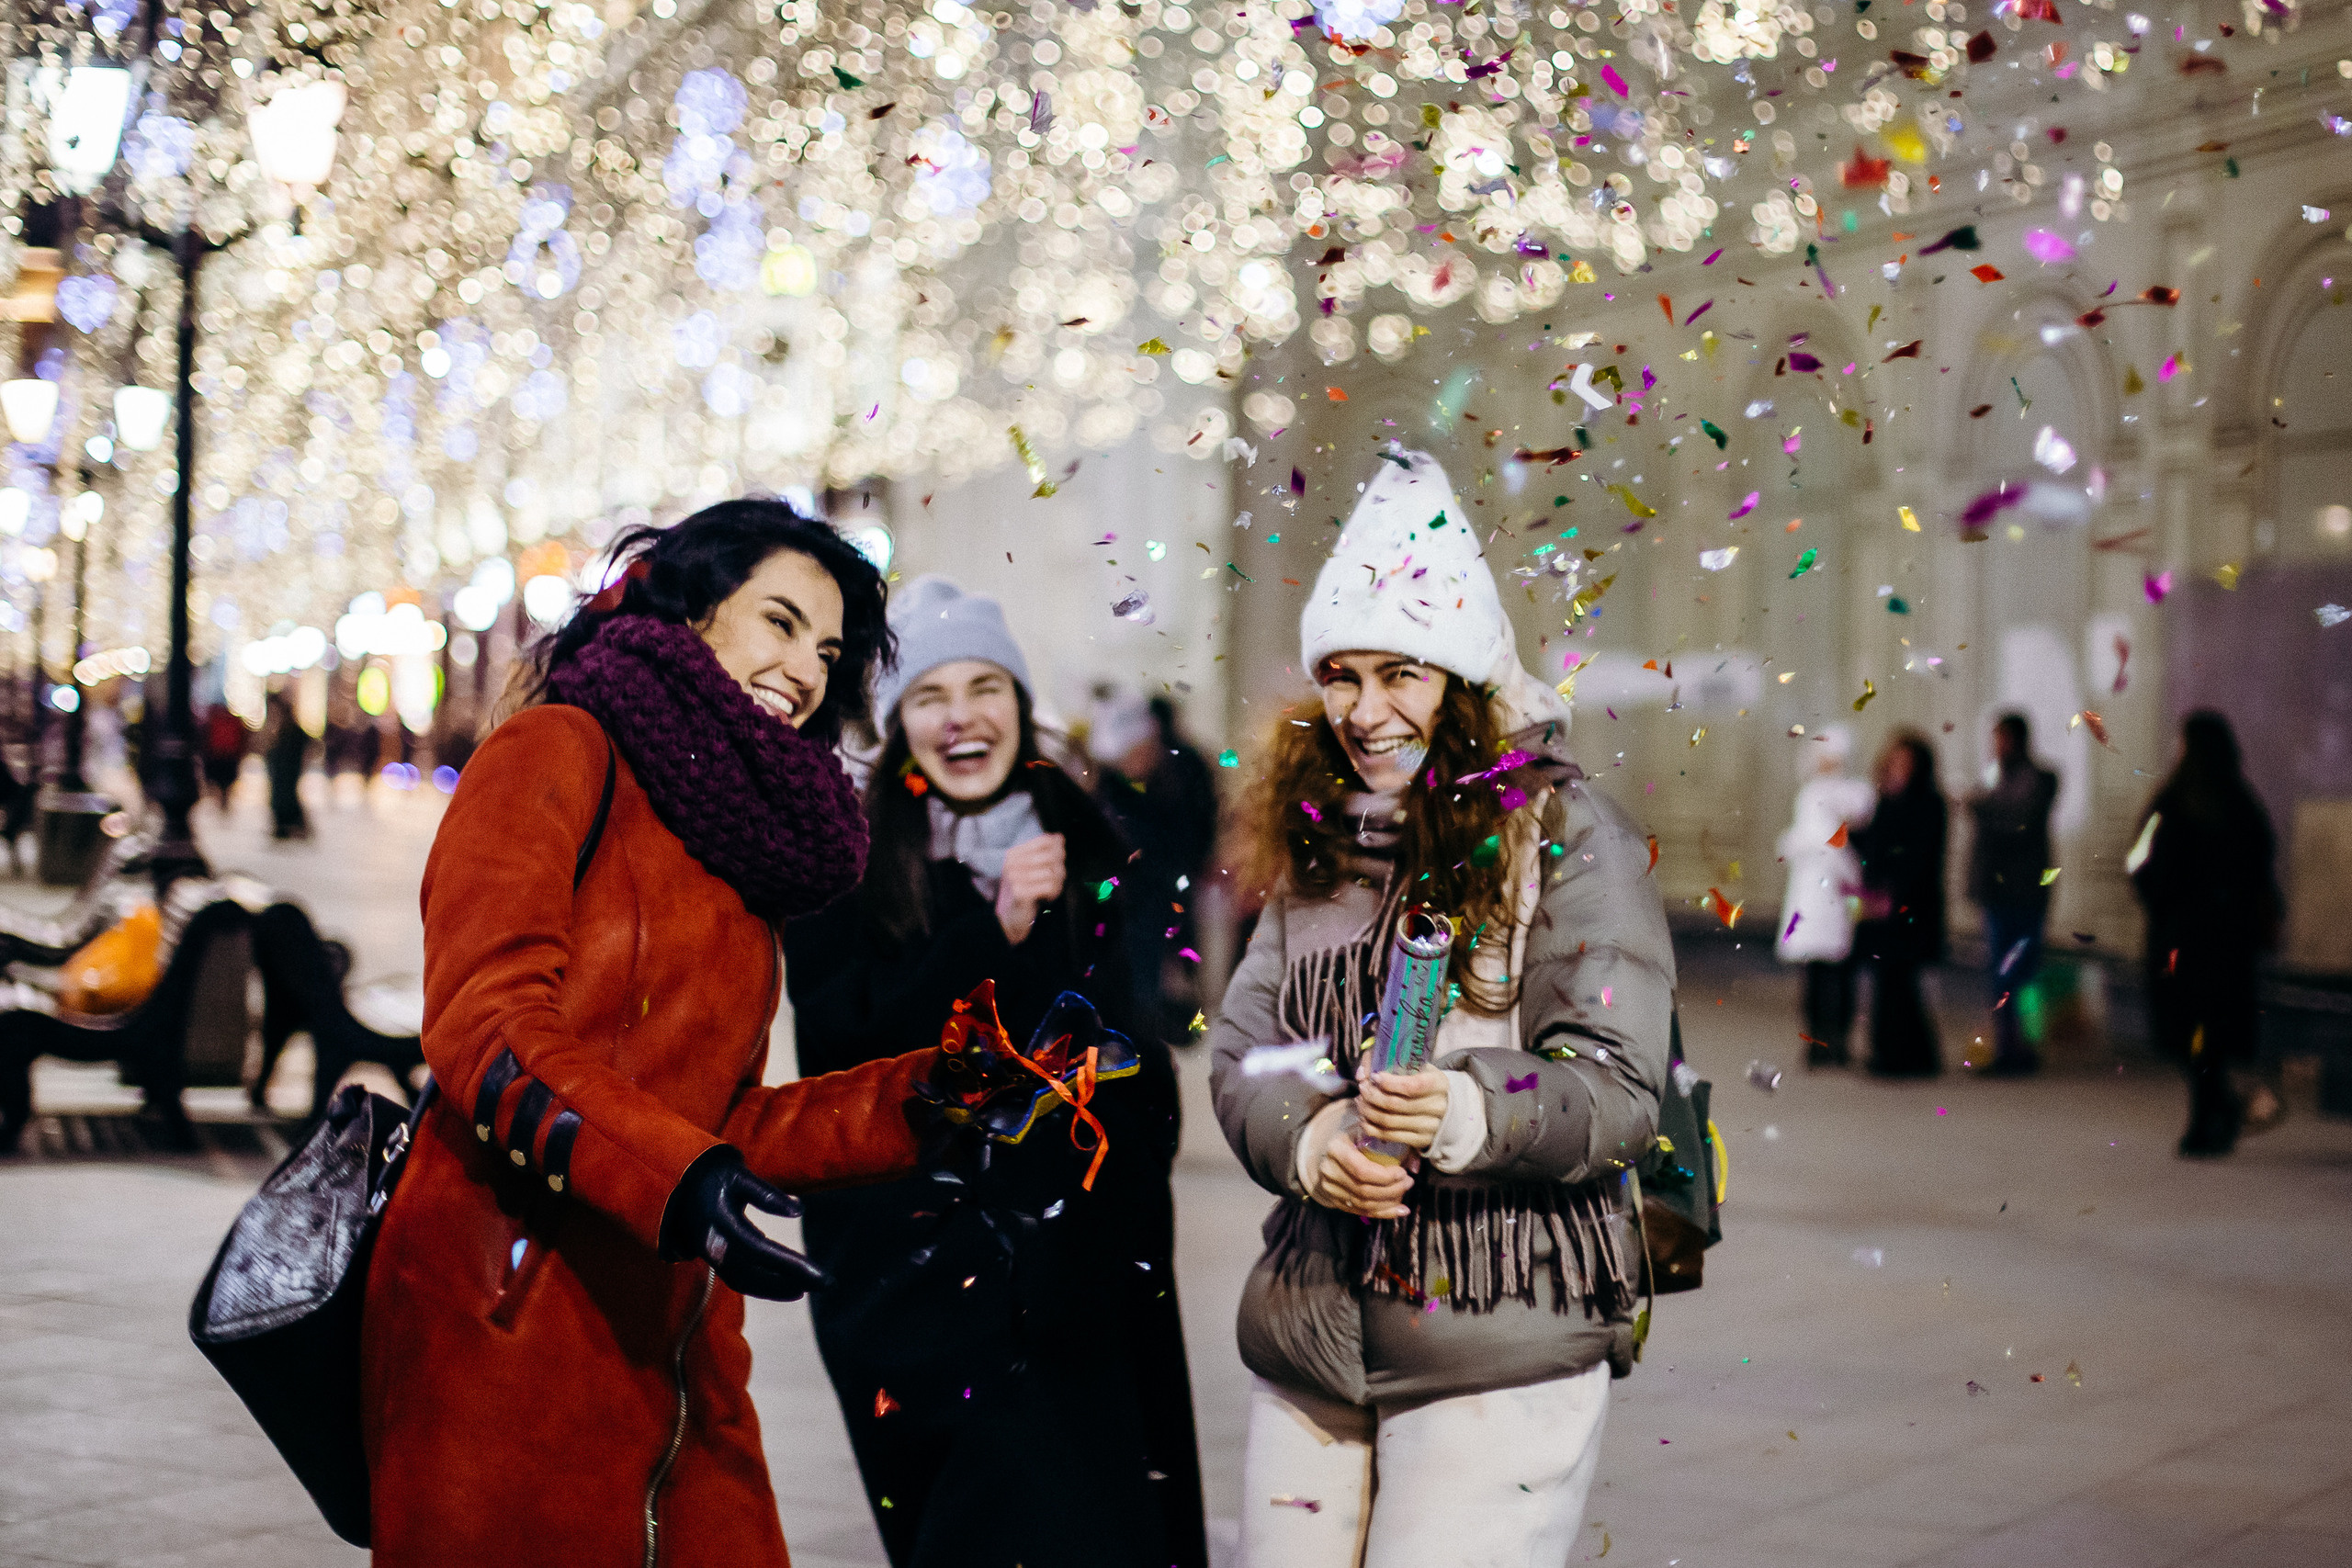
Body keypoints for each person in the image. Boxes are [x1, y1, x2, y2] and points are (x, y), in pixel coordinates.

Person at [364, 502, 991, 1567]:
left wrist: (935, 1098)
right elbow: (486, 1029)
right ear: (693, 609)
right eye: (780, 622)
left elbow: (722, 1118)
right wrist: (680, 1180)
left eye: (828, 650)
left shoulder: (738, 850)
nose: (803, 668)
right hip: (504, 1319)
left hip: (679, 1343)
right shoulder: (555, 751)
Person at [1207, 449, 1672, 1568]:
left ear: (1462, 683)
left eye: (1400, 675)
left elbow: (1618, 1089)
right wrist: (1309, 1137)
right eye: (1342, 676)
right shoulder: (1321, 834)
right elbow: (1245, 1050)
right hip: (1316, 1323)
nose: (1364, 712)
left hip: (1498, 1324)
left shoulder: (1565, 832)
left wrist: (1461, 1111)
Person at [785, 576, 1206, 1568]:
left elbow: (1135, 1039)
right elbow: (840, 1059)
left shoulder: (1087, 838)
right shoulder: (847, 862)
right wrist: (993, 936)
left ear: (1020, 706)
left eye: (987, 687)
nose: (962, 716)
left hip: (1080, 1289)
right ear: (898, 727)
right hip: (914, 1300)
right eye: (930, 696)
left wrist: (1127, 1117)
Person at [2129, 710, 2284, 1157]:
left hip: (2181, 939)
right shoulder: (2241, 803)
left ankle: (2208, 1115)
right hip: (2225, 942)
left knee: (2186, 1031)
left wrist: (2163, 903)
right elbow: (2259, 866)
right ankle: (2216, 1107)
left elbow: (2141, 862)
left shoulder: (2172, 801)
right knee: (2209, 1030)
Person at [1089, 689, 1221, 1044]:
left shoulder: (1184, 768)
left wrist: (1196, 860)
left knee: (1181, 946)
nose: (1133, 764)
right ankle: (1150, 1019)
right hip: (1136, 891)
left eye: (1137, 754)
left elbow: (1202, 820)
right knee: (1143, 956)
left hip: (1176, 878)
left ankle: (1179, 1015)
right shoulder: (1114, 787)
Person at [1773, 728, 1876, 1068]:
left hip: (1835, 894)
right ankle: (1820, 1040)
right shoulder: (1811, 794)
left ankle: (1833, 1041)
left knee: (1835, 973)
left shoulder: (1851, 793)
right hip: (1813, 894)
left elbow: (1833, 841)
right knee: (1818, 974)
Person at [1968, 712, 2058, 1076]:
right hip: (1997, 889)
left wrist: (1980, 807)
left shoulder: (2039, 778)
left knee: (2024, 972)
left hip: (2024, 890)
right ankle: (2008, 1044)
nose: (1997, 746)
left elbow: (2019, 822)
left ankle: (2028, 1045)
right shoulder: (1998, 778)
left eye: (2002, 738)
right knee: (2001, 973)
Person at [1853, 731, 1948, 1077]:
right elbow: (1875, 847)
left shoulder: (1927, 804)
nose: (1897, 770)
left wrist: (1892, 893)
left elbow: (1920, 858)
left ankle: (1903, 1055)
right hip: (1884, 905)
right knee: (1889, 980)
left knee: (1900, 980)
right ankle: (1898, 1052)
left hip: (1911, 908)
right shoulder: (1887, 801)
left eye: (1904, 764)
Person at [261, 692, 311, 840]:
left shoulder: (290, 730)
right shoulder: (283, 728)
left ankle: (289, 825)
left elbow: (301, 745)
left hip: (287, 770)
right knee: (282, 796)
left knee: (285, 796)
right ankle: (283, 826)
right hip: (283, 769)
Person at [200, 702, 246, 810]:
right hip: (229, 757)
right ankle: (223, 800)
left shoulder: (214, 719)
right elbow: (242, 739)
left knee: (218, 782)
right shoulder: (233, 720)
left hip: (218, 756)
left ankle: (221, 801)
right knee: (225, 783)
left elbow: (206, 738)